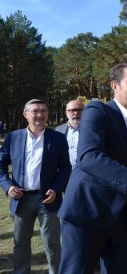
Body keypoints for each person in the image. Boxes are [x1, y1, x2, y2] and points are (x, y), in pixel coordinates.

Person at [58, 63, 127, 274]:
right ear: (115, 86)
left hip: (120, 218)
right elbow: (89, 157)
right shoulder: (97, 111)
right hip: (86, 214)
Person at [0, 99, 72, 274]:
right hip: (21, 198)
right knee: (20, 242)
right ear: (26, 115)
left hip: (47, 199)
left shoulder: (58, 138)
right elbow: (1, 166)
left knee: (52, 243)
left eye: (43, 111)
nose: (40, 115)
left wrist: (56, 188)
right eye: (35, 111)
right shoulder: (13, 137)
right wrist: (8, 187)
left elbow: (65, 168)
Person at [55, 99, 85, 169]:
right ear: (66, 113)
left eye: (79, 110)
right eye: (72, 110)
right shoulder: (58, 130)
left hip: (85, 174)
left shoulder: (92, 129)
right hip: (65, 174)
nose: (76, 113)